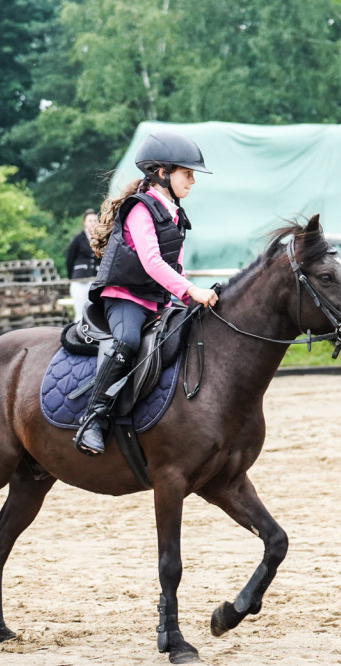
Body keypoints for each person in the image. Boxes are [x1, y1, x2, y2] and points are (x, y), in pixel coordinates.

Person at [74, 130, 219, 457]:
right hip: (124, 297)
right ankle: (93, 419)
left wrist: (187, 300)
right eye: (188, 173)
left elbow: (175, 267)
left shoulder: (175, 214)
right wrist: (192, 290)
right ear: (163, 173)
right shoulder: (141, 209)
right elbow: (151, 262)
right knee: (127, 341)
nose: (192, 181)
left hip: (156, 300)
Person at [66, 209, 101, 323]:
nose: (93, 223)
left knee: (96, 311)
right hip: (80, 279)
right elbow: (70, 259)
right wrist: (71, 277)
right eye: (90, 220)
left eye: (95, 220)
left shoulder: (102, 238)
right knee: (80, 312)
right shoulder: (78, 239)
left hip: (97, 279)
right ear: (84, 223)